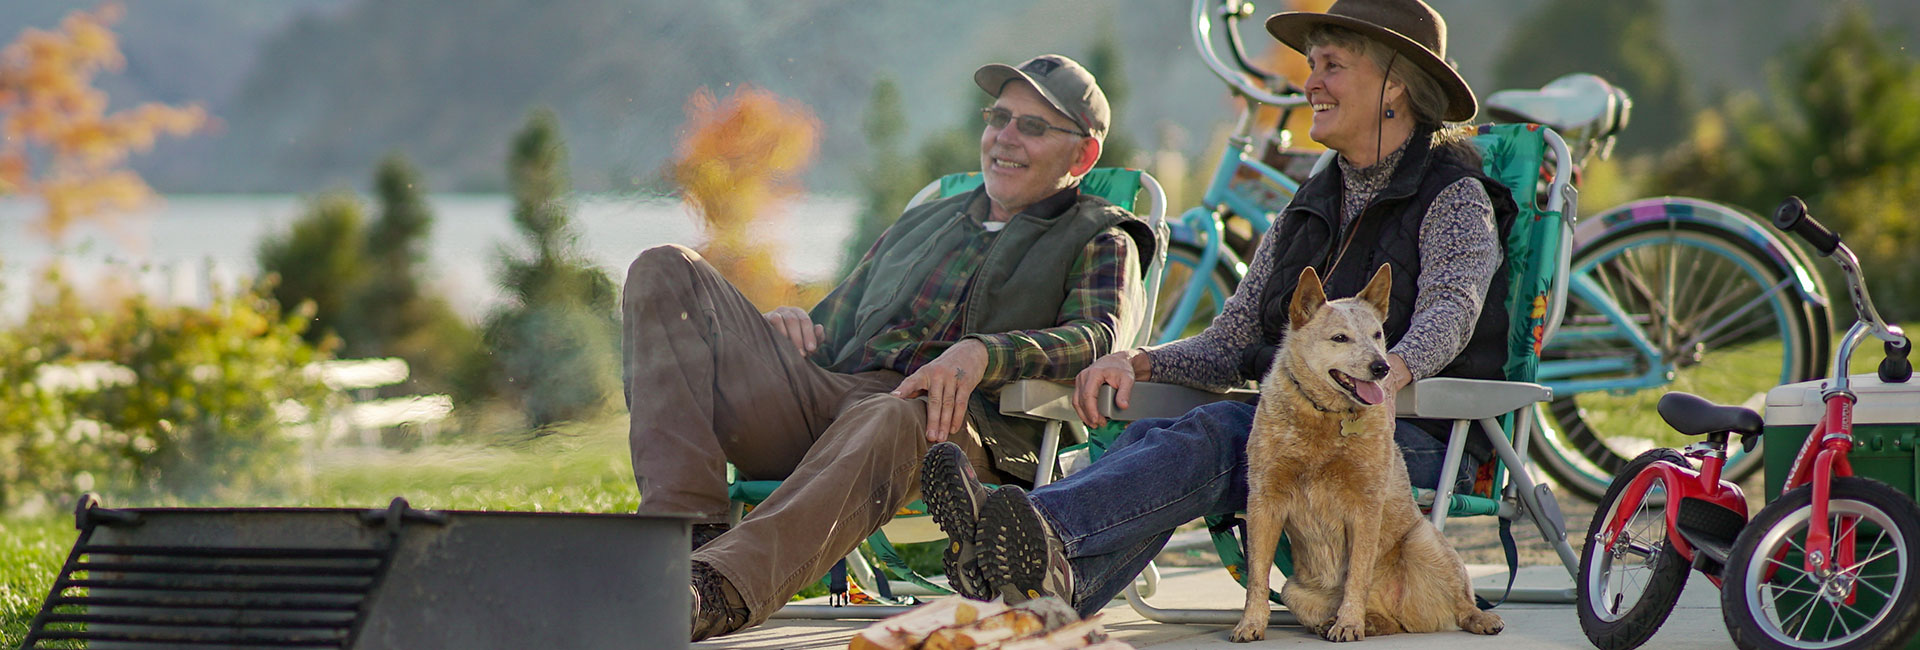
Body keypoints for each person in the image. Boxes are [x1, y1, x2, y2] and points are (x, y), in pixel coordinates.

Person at [923, 0, 1518, 618]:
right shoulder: (1311, 201)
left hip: (1412, 436)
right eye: (1311, 65)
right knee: (1162, 430)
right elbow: (1234, 338)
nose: (1309, 83)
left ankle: (1018, 533)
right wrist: (1140, 363)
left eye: (1331, 66)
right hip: (1298, 420)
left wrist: (1393, 370)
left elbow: (1452, 311)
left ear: (1395, 82)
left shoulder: (1453, 194)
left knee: (1229, 433)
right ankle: (1042, 580)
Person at [623, 54, 1156, 641]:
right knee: (666, 269)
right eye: (999, 117)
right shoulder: (924, 221)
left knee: (896, 412)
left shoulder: (1102, 234)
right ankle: (679, 543)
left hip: (957, 428)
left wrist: (983, 353)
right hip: (831, 402)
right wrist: (789, 325)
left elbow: (1098, 338)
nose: (1004, 137)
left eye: (1033, 126)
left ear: (1082, 155)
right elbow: (834, 323)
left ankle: (713, 590)